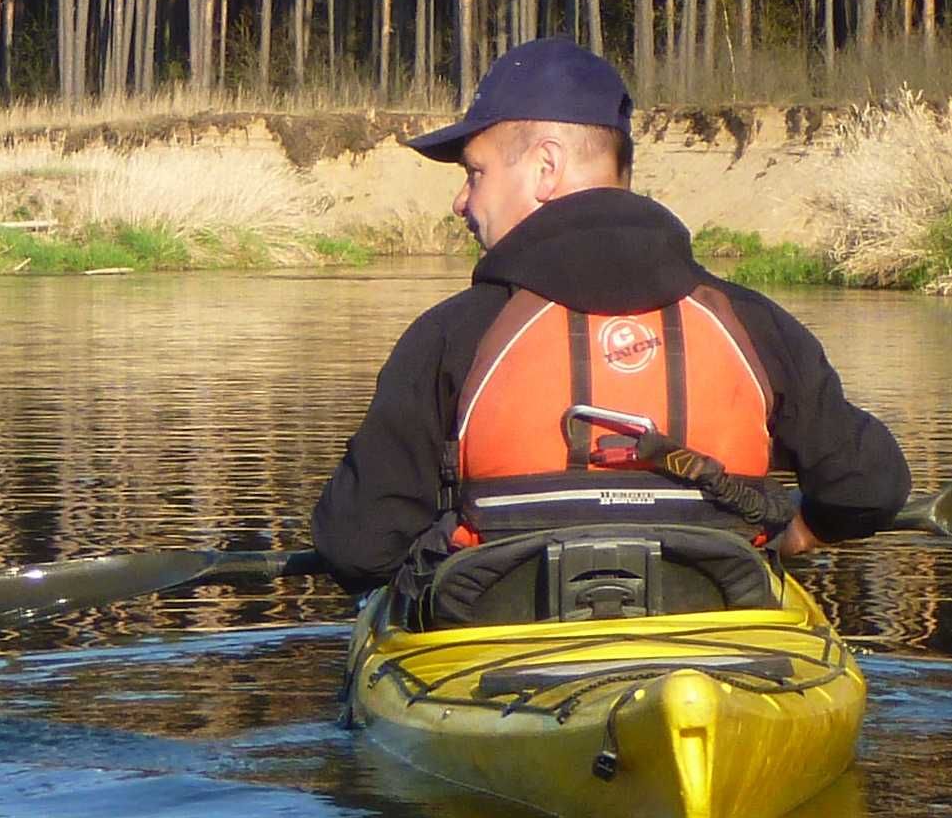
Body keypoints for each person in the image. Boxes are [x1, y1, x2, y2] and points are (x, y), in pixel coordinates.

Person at [313, 36, 909, 615]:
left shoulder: (452, 336)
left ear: (546, 167)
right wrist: (802, 529)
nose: (462, 202)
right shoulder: (752, 325)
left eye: (475, 173)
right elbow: (870, 487)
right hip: (720, 649)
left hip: (504, 667)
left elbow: (358, 548)